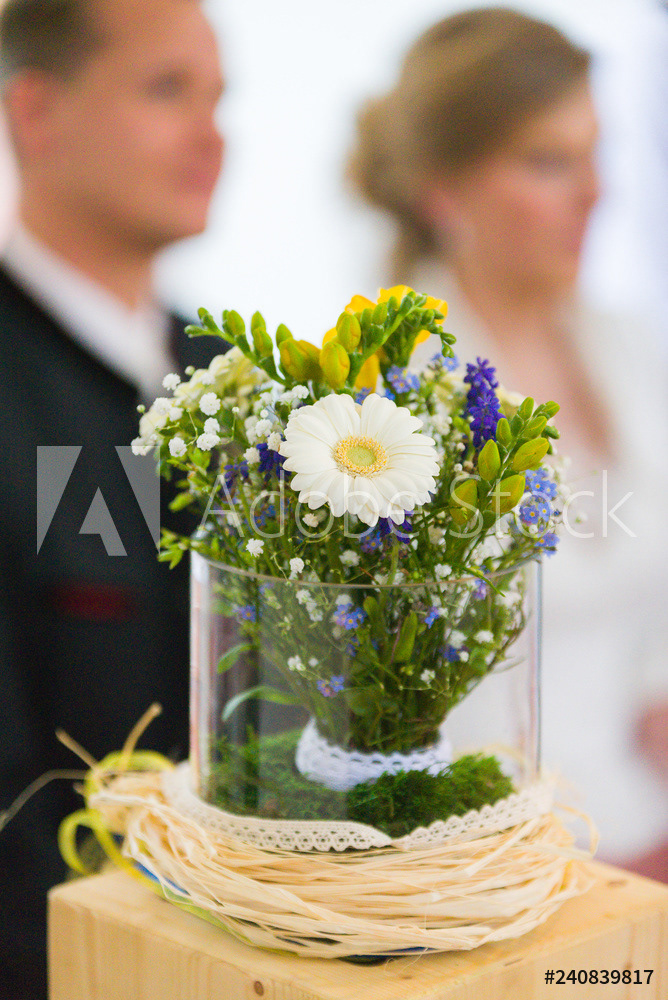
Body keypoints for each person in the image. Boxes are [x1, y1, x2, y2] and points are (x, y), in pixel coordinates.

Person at [348, 7, 668, 873]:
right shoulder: (386, 400)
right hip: (494, 869)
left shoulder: (629, 349)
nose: (594, 191)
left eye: (596, 153)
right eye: (548, 161)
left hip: (647, 834)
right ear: (442, 191)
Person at [0, 1, 225, 995]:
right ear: (36, 112)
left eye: (218, 98)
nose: (212, 136)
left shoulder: (230, 375)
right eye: (167, 89)